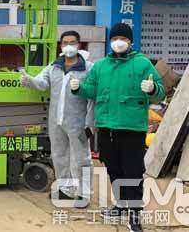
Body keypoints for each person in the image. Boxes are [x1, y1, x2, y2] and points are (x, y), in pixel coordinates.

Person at [70, 23, 164, 232]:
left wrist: (152, 89)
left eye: (122, 38)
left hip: (131, 128)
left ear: (130, 41)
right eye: (114, 39)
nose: (118, 42)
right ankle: (121, 204)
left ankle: (135, 216)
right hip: (105, 126)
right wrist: (79, 89)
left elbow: (161, 92)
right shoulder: (101, 66)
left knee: (133, 171)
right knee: (112, 167)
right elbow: (92, 90)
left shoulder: (142, 64)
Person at [21, 30, 94, 208]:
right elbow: (42, 83)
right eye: (65, 42)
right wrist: (28, 80)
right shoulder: (54, 66)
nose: (69, 46)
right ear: (60, 46)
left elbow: (93, 95)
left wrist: (90, 123)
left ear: (79, 45)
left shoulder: (89, 68)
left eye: (72, 42)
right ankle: (66, 190)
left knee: (81, 158)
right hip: (56, 120)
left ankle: (83, 194)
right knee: (59, 156)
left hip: (78, 121)